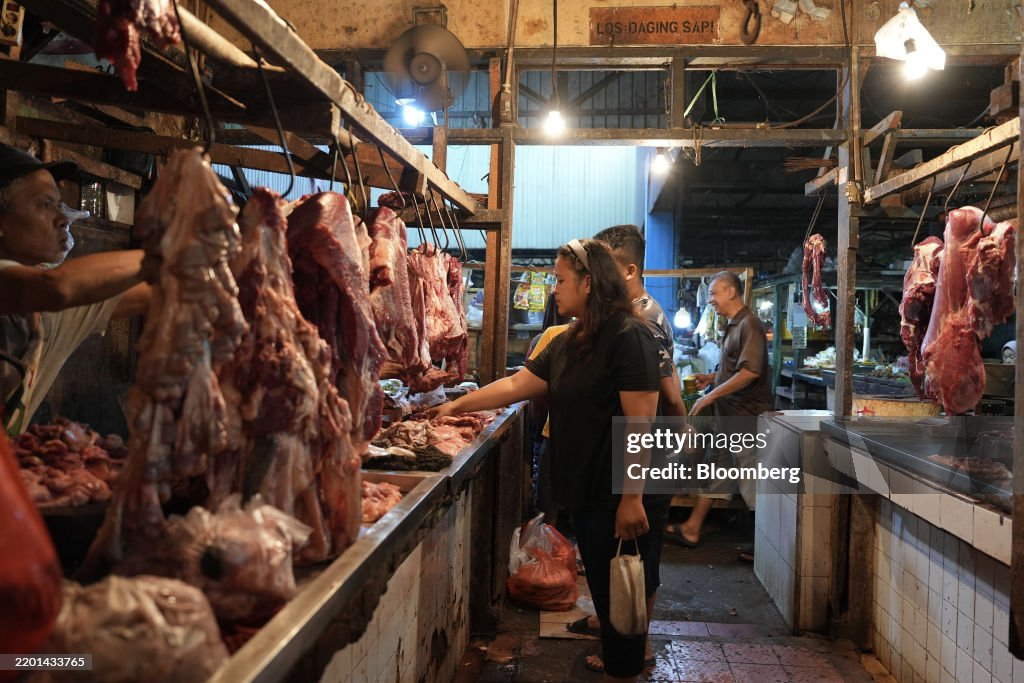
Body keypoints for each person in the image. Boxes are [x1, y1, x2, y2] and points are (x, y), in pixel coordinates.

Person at [436, 238, 663, 682]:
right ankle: (621, 663)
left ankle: (624, 672)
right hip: (589, 492)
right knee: (605, 591)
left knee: (625, 599)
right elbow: (517, 385)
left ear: (589, 283)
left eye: (560, 280)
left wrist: (632, 498)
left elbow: (641, 424)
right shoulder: (572, 340)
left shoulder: (629, 335)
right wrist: (453, 407)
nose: (554, 289)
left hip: (622, 492)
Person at [564, 224, 686, 670]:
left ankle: (638, 646)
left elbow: (668, 396)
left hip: (643, 454)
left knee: (637, 556)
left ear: (628, 270)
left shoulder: (642, 320)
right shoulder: (624, 318)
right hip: (635, 452)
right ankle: (621, 633)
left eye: (604, 268)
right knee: (624, 555)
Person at [0, 144, 150, 434]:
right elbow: (57, 288)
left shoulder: (51, 314)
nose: (64, 218)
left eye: (59, 204)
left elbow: (159, 292)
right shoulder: (48, 290)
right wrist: (171, 255)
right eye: (45, 205)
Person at [688, 271, 773, 560]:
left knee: (752, 486)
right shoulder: (734, 325)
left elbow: (750, 372)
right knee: (717, 474)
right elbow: (736, 368)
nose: (710, 300)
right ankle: (691, 527)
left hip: (745, 419)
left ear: (731, 292)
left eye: (713, 293)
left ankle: (769, 549)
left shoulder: (749, 324)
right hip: (729, 419)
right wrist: (712, 378)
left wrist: (711, 396)